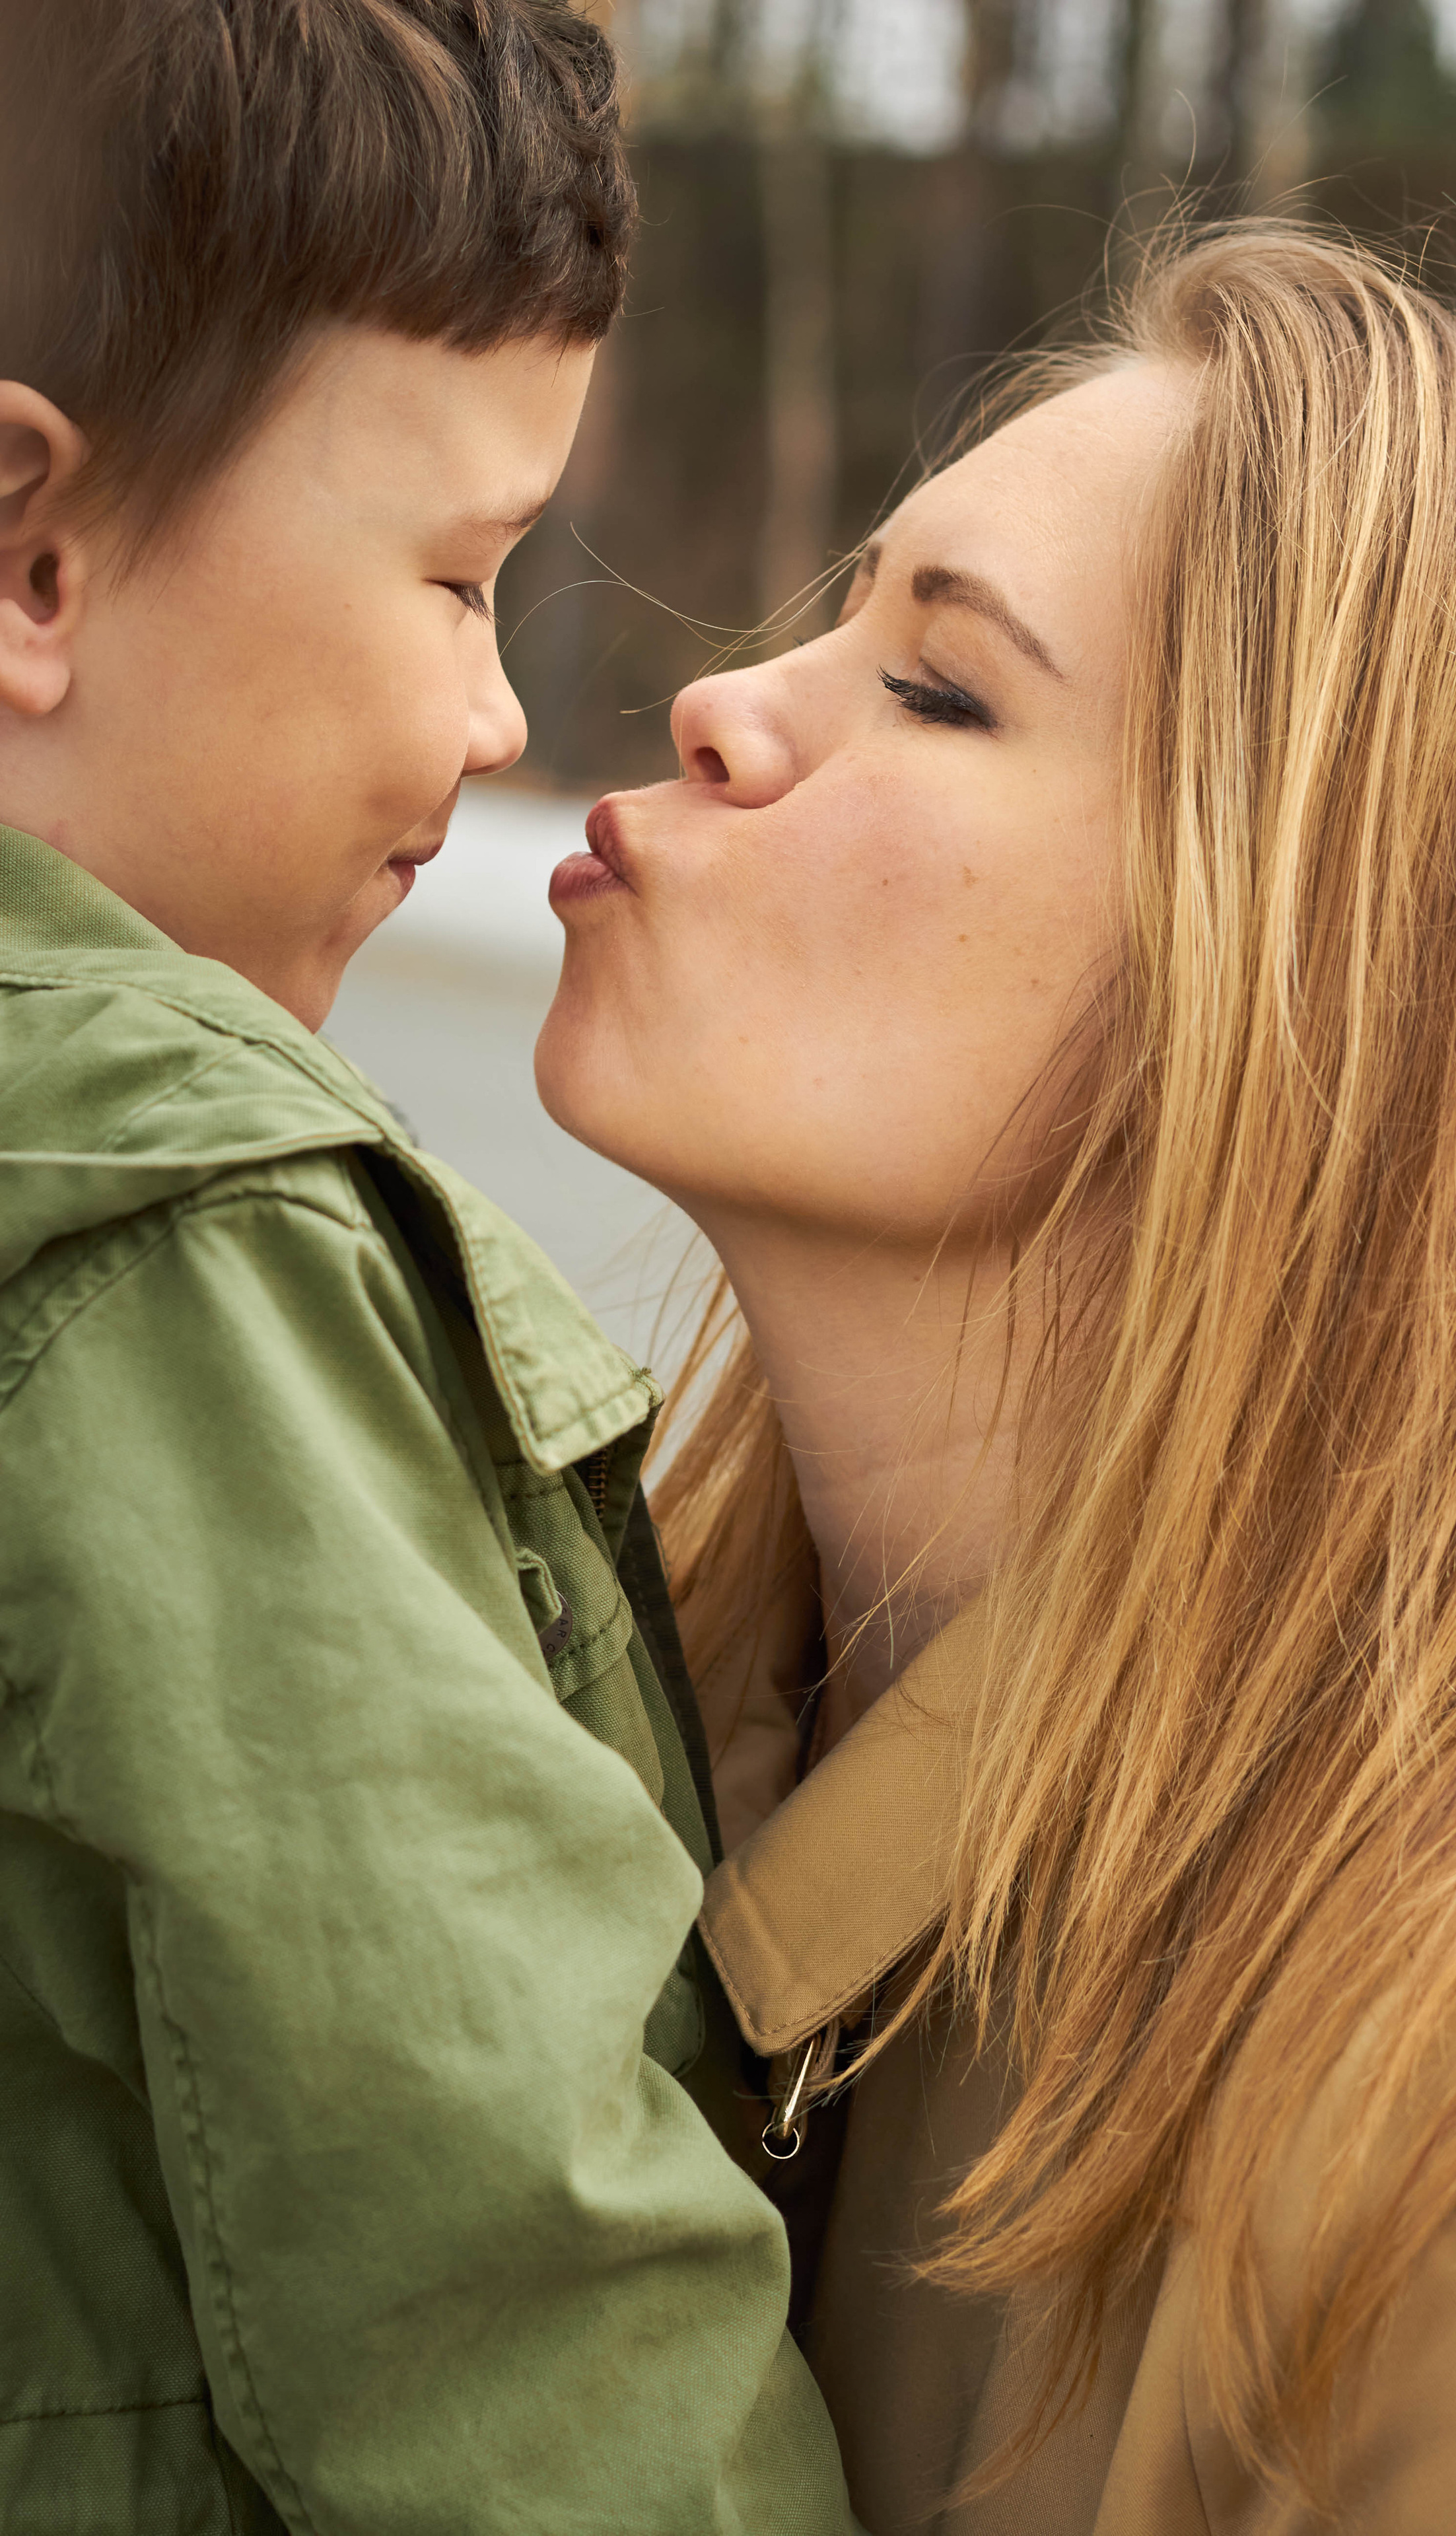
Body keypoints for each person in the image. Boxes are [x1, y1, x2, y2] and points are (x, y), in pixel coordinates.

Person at [536, 224, 1456, 2533]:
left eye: (939, 688)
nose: (726, 705)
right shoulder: (562, 1718)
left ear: (1328, 992)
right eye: (842, 617)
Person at [0, 5, 856, 2531]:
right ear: (30, 557)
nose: (497, 714)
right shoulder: (183, 1242)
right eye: (461, 581)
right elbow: (520, 2282)